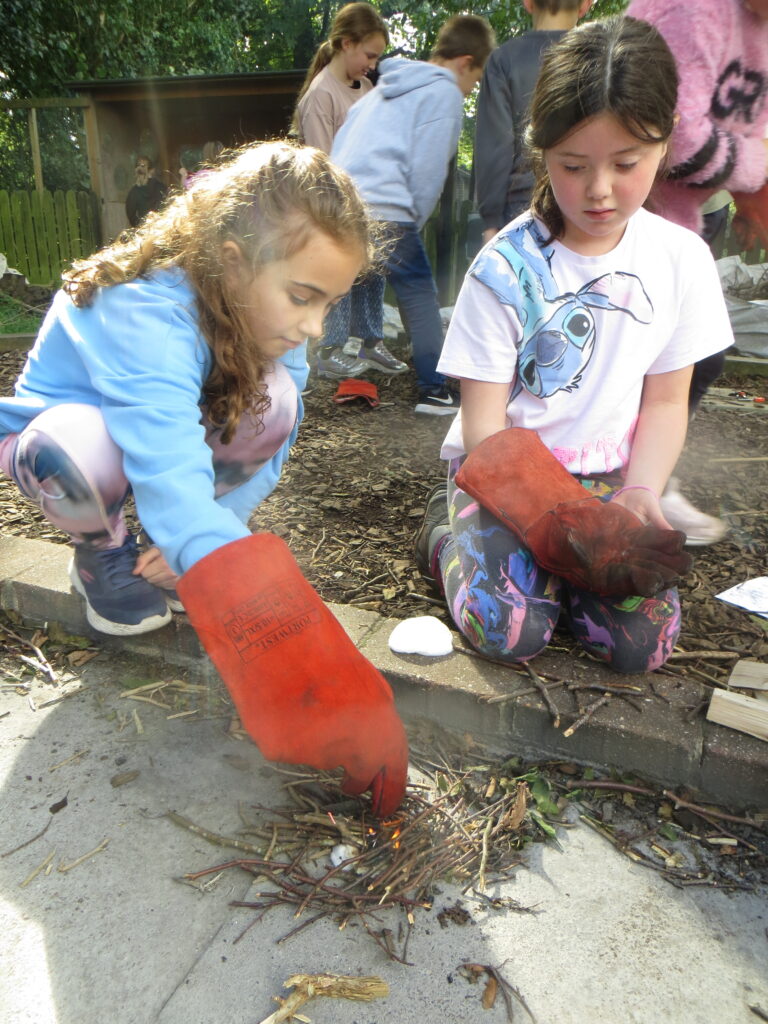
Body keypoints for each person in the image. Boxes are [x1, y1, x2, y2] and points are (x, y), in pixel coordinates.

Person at [0, 141, 408, 817]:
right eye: (303, 298)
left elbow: (275, 432)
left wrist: (215, 540)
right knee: (80, 448)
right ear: (231, 262)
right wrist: (288, 640)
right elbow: (166, 467)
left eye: (329, 304)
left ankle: (179, 552)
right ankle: (104, 555)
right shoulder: (146, 314)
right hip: (63, 446)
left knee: (274, 398)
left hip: (160, 446)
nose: (314, 325)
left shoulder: (261, 313)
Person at [415, 17, 733, 675]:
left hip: (605, 484)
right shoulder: (504, 268)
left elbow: (668, 401)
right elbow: (485, 429)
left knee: (641, 647)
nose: (599, 190)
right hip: (506, 474)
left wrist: (641, 490)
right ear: (542, 153)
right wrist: (551, 521)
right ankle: (443, 531)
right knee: (509, 631)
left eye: (626, 164)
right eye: (573, 165)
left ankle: (545, 572)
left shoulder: (681, 260)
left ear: (666, 143)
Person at [626, 0, 768, 544]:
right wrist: (757, 172)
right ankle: (625, 481)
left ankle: (645, 481)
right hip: (632, 208)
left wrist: (748, 184)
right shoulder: (693, 8)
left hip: (688, 214)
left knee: (694, 357)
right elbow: (678, 136)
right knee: (660, 356)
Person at [326, 14, 496, 413]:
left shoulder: (378, 93)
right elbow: (428, 172)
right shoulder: (444, 93)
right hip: (386, 206)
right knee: (419, 292)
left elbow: (341, 142)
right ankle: (434, 389)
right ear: (464, 62)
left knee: (337, 284)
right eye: (475, 79)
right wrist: (412, 225)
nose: (470, 90)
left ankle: (300, 363)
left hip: (342, 200)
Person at [293, 2, 403, 379]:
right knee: (338, 275)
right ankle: (328, 350)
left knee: (374, 269)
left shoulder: (367, 88)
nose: (372, 64)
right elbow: (322, 165)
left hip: (371, 200)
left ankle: (371, 343)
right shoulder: (321, 96)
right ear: (345, 44)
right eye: (369, 54)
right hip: (335, 205)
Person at [474, 0, 592, 248]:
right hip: (591, 204)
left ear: (528, 3)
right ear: (586, 5)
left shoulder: (503, 61)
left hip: (524, 207)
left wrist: (491, 222)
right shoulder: (600, 56)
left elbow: (495, 147)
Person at [125, 155, 167, 227]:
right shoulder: (161, 187)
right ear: (152, 171)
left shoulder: (134, 192)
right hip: (161, 228)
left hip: (147, 231)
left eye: (143, 166)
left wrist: (140, 227)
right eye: (139, 166)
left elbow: (131, 215)